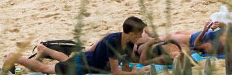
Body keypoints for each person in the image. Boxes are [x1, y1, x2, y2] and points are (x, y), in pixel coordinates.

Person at [19, 18, 150, 75]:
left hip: (87, 60)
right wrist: (136, 72)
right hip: (81, 66)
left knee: (64, 61)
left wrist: (137, 71)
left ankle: (45, 49)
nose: (141, 36)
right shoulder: (113, 42)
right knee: (46, 68)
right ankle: (16, 58)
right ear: (131, 33)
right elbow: (116, 72)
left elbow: (126, 69)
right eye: (140, 33)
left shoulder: (130, 43)